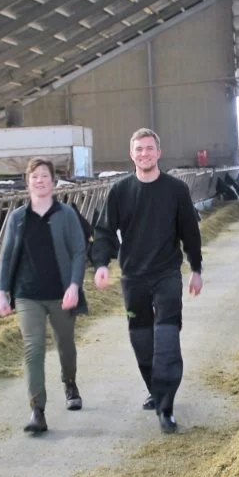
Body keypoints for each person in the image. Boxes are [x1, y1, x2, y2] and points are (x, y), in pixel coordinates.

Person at [90, 128, 203, 434]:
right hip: (133, 277)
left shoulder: (176, 190)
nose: (144, 154)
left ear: (159, 152)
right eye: (139, 149)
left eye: (149, 148)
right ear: (132, 154)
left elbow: (189, 231)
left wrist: (196, 268)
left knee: (166, 339)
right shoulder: (120, 191)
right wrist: (101, 263)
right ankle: (155, 388)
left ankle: (166, 407)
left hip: (166, 274)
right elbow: (104, 231)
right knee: (141, 339)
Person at [0, 157, 89, 435]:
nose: (40, 180)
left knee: (65, 344)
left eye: (45, 176)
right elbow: (7, 256)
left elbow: (78, 252)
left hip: (61, 292)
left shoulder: (66, 214)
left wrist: (74, 285)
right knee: (33, 349)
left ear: (53, 181)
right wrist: (2, 291)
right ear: (28, 182)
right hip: (27, 294)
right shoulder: (17, 218)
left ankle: (69, 382)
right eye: (35, 176)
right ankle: (37, 409)